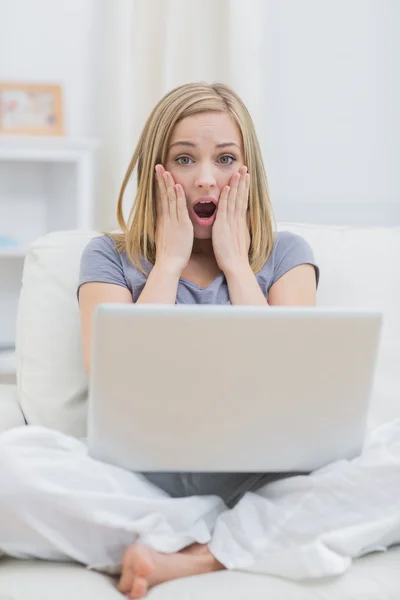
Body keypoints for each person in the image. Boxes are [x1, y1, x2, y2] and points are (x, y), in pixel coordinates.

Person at [1, 82, 398, 599]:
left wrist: (237, 266)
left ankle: (201, 553)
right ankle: (238, 531)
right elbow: (114, 377)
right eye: (184, 160)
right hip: (143, 484)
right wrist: (166, 263)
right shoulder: (108, 257)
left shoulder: (286, 254)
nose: (206, 180)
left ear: (248, 170)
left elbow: (290, 375)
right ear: (155, 171)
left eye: (225, 158)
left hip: (268, 480)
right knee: (12, 464)